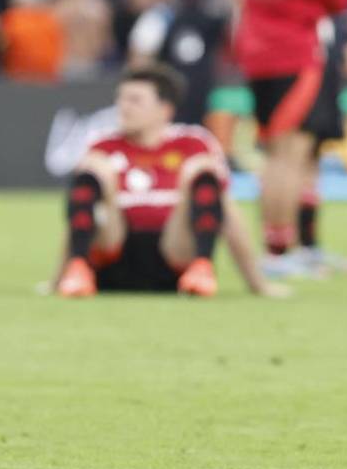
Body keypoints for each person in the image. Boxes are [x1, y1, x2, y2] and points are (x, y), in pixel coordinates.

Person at [56, 63, 282, 299]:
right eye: (121, 99)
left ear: (164, 109)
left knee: (203, 172)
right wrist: (56, 281)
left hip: (174, 254)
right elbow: (78, 214)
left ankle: (202, 269)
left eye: (135, 100)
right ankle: (77, 270)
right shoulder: (103, 145)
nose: (123, 107)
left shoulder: (194, 143)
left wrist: (259, 286)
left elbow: (227, 211)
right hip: (112, 254)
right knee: (93, 171)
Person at [230, 0, 347, 273]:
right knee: (289, 153)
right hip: (296, 50)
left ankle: (286, 247)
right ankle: (278, 252)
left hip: (256, 51)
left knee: (283, 152)